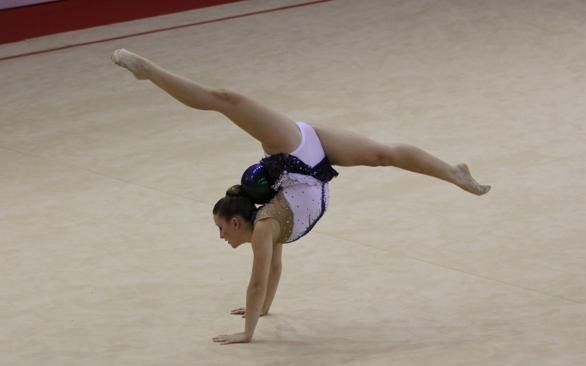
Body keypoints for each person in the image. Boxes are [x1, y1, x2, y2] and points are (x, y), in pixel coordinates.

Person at [111, 49, 490, 345]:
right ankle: (454, 174)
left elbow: (258, 280)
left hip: (293, 151)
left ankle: (149, 72)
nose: (221, 236)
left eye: (221, 228)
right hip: (310, 157)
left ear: (237, 220)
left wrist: (248, 333)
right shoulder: (269, 228)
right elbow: (272, 273)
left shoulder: (264, 227)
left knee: (224, 99)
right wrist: (261, 312)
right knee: (383, 156)